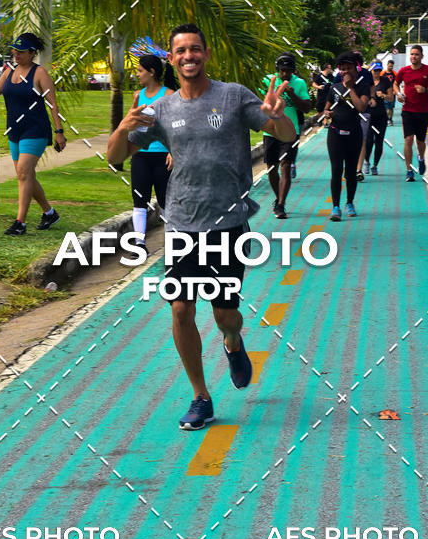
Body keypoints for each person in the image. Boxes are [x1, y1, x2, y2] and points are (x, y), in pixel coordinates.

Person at [107, 23, 297, 432]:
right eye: (181, 51)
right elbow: (115, 157)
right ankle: (200, 396)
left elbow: (284, 132)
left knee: (225, 314)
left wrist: (278, 120)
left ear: (206, 54)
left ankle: (233, 343)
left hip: (228, 223)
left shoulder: (233, 97)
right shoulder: (161, 110)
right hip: (181, 224)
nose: (189, 56)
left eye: (195, 49)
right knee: (180, 308)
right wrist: (122, 130)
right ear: (172, 59)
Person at [0, 32, 67, 234]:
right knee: (24, 174)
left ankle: (20, 223)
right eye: (14, 50)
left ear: (32, 53)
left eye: (21, 51)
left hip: (35, 129)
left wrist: (59, 131)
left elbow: (53, 105)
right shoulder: (9, 71)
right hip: (14, 130)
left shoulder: (40, 73)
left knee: (24, 173)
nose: (16, 54)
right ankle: (49, 213)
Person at [129, 54, 176, 254]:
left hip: (163, 155)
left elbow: (176, 127)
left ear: (151, 72)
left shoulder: (169, 94)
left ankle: (174, 246)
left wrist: (174, 152)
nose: (137, 75)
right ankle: (139, 244)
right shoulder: (138, 96)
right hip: (140, 155)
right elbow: (130, 122)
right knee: (140, 200)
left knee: (166, 201)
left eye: (140, 71)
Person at [259, 53, 311, 219]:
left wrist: (292, 94)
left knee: (286, 166)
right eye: (282, 71)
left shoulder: (299, 83)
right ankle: (278, 198)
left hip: (290, 131)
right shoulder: (268, 81)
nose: (285, 74)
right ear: (277, 70)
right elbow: (260, 103)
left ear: (293, 71)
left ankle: (281, 204)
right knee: (272, 169)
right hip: (271, 130)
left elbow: (307, 108)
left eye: (288, 71)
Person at [324, 51, 370, 220]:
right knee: (336, 170)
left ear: (356, 68)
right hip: (335, 133)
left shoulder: (362, 87)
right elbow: (326, 107)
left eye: (348, 68)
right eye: (342, 69)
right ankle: (335, 207)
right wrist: (327, 112)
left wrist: (350, 88)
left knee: (350, 172)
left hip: (354, 134)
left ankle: (349, 202)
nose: (345, 72)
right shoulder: (335, 87)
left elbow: (361, 108)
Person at [394, 45, 428, 181]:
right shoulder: (404, 71)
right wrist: (398, 94)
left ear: (422, 56)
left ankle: (421, 158)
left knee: (420, 142)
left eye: (416, 54)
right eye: (411, 54)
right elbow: (395, 83)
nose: (413, 57)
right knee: (408, 139)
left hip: (423, 111)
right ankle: (409, 170)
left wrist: (426, 90)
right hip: (407, 110)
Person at [364, 62, 390, 175]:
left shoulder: (385, 81)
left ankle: (375, 165)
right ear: (371, 70)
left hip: (381, 115)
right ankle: (366, 162)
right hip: (368, 115)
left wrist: (383, 95)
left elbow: (391, 98)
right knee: (368, 141)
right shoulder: (365, 81)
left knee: (379, 141)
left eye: (379, 70)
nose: (377, 73)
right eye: (375, 71)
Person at [384, 58, 396, 124]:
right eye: (389, 66)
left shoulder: (395, 74)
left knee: (391, 107)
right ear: (387, 65)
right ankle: (386, 118)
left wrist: (395, 91)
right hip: (384, 93)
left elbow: (397, 83)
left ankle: (390, 119)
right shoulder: (382, 73)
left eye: (392, 66)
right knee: (385, 107)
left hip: (392, 93)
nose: (390, 67)